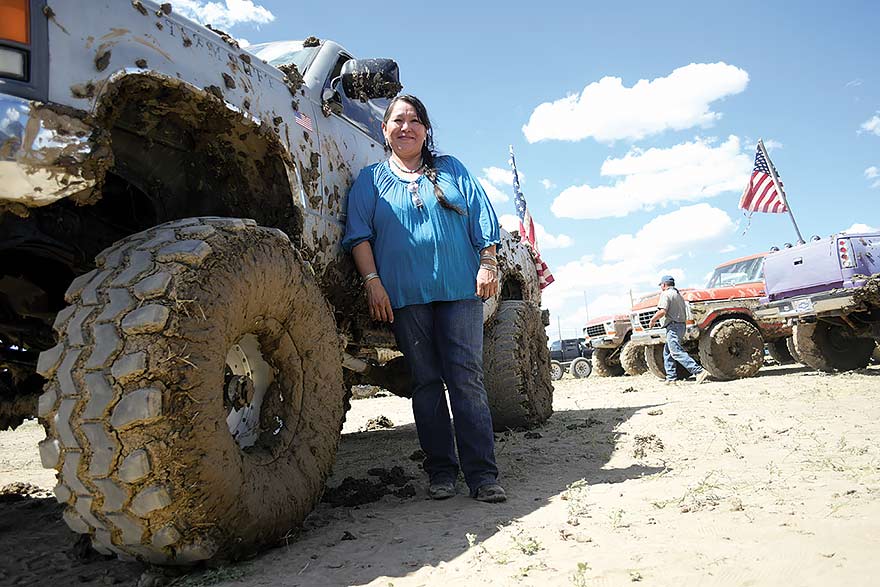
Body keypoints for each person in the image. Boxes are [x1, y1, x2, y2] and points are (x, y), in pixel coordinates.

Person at [342, 95, 506, 503]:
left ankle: (483, 476)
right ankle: (441, 473)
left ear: (426, 129)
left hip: (458, 292)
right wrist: (372, 282)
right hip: (406, 298)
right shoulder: (370, 180)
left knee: (466, 380)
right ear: (384, 130)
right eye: (397, 120)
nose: (406, 127)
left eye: (415, 120)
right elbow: (358, 236)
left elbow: (484, 218)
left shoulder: (451, 169)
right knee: (426, 383)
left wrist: (488, 263)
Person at [647, 275, 710, 384]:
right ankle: (671, 378)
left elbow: (663, 311)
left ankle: (698, 371)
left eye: (661, 285)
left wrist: (653, 320)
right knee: (668, 352)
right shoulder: (678, 295)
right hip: (681, 326)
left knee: (675, 351)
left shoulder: (666, 294)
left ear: (664, 284)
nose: (661, 287)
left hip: (673, 326)